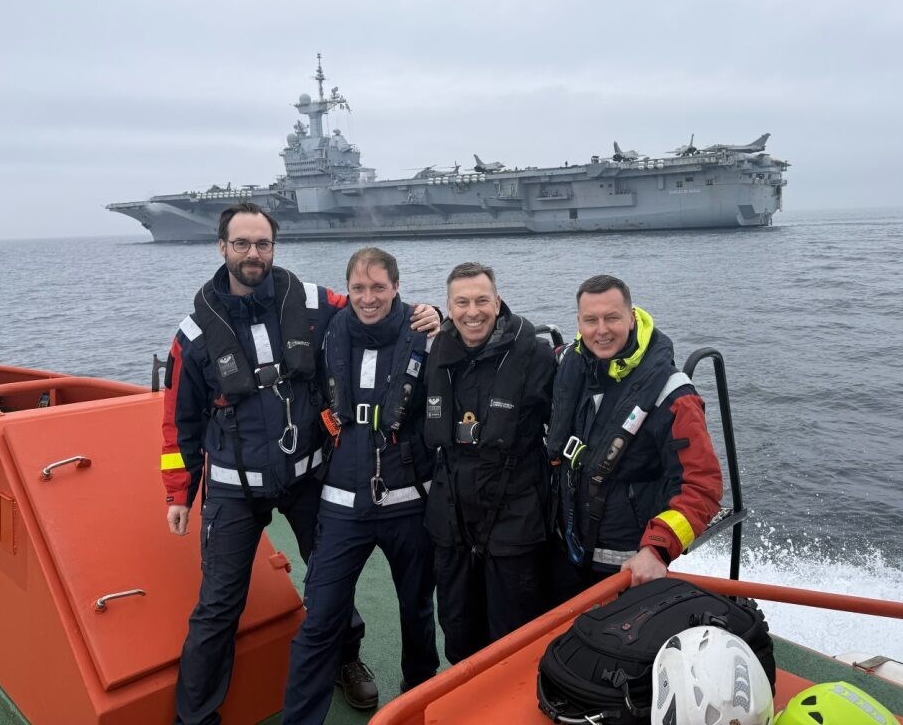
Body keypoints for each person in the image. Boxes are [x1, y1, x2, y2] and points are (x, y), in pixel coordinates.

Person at [161, 205, 437, 725]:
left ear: (274, 247)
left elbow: (374, 307)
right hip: (235, 486)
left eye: (262, 243)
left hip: (308, 476)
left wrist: (430, 314)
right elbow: (179, 420)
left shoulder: (314, 302)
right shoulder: (194, 333)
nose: (253, 254)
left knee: (330, 584)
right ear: (222, 247)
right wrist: (180, 491)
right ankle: (195, 718)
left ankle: (346, 659)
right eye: (241, 244)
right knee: (218, 606)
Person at [281, 248, 439, 725]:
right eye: (358, 288)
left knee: (416, 609)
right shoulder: (327, 331)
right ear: (346, 290)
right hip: (341, 504)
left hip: (407, 502)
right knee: (320, 616)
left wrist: (442, 316)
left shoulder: (427, 332)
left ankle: (419, 700)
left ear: (397, 287)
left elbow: (479, 333)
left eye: (378, 287)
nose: (368, 298)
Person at [547, 275, 723, 602]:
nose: (601, 330)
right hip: (566, 552)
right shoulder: (571, 367)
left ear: (631, 318)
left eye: (612, 318)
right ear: (579, 323)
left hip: (626, 569)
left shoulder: (674, 395)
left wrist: (657, 550)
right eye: (591, 320)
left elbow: (702, 487)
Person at [423, 262, 556, 664]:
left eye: (482, 300)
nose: (472, 312)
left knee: (513, 631)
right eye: (461, 302)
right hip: (453, 516)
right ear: (448, 307)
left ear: (498, 303)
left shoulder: (537, 355)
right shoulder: (435, 352)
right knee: (457, 625)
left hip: (515, 512)